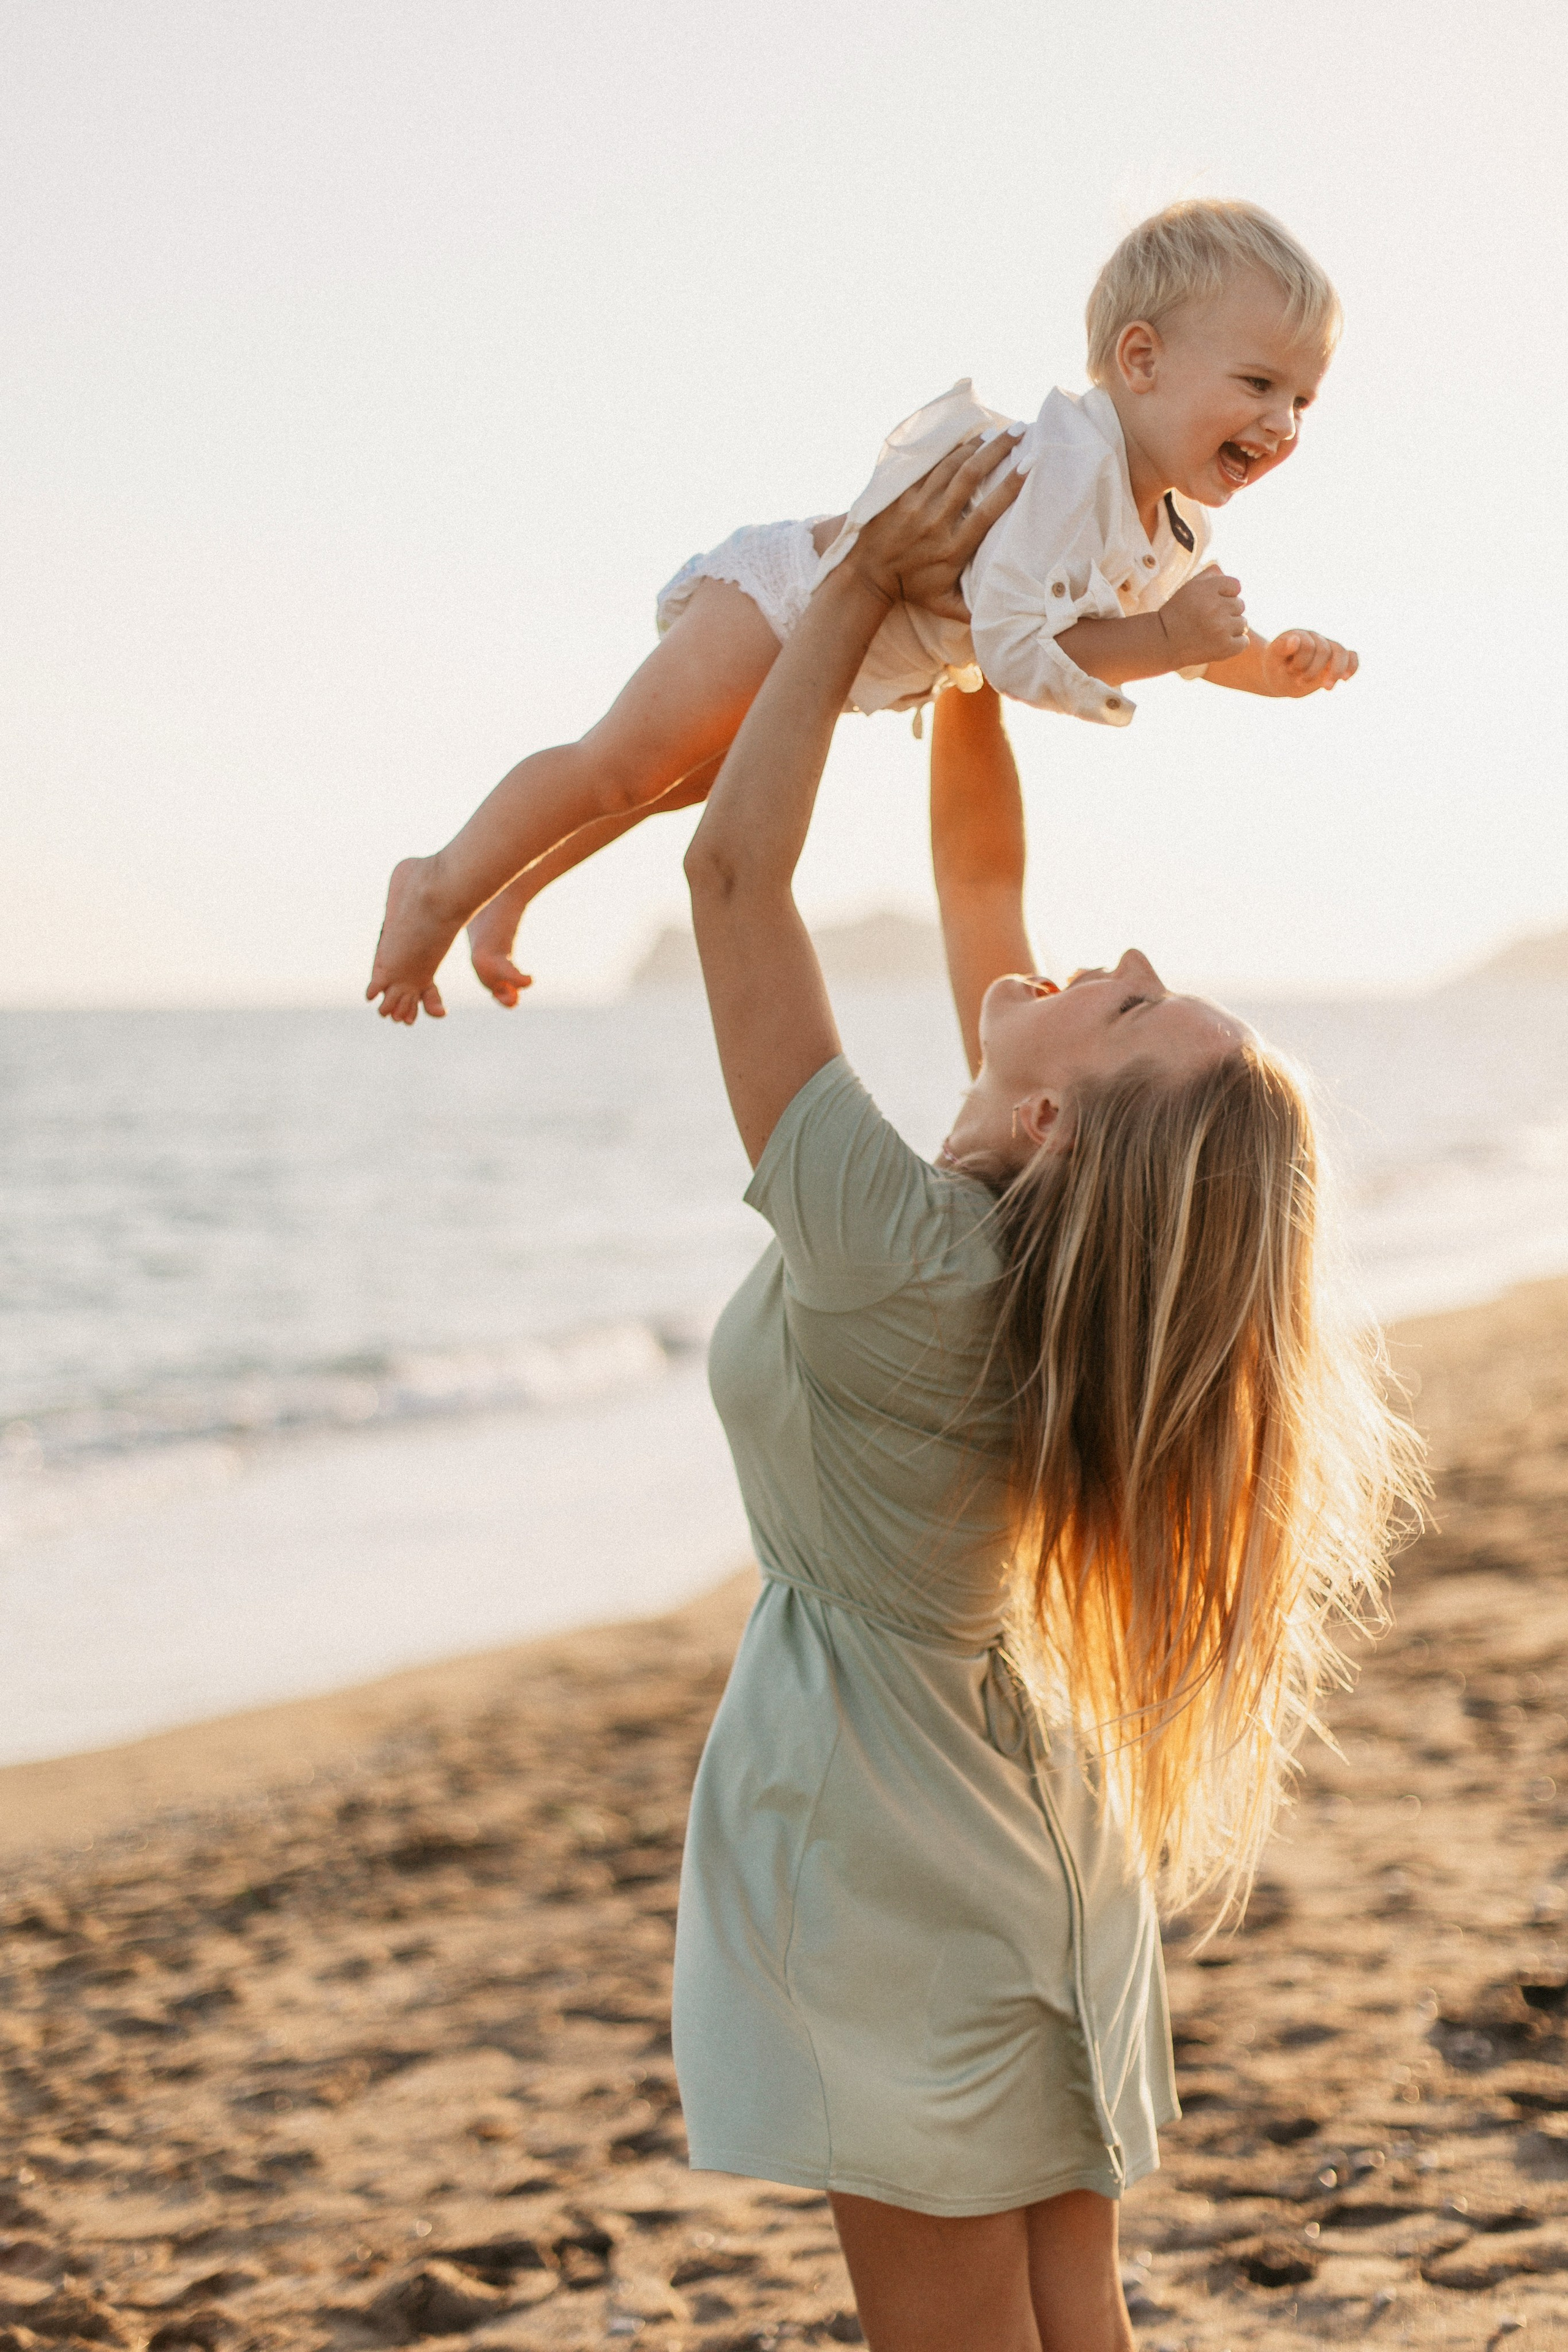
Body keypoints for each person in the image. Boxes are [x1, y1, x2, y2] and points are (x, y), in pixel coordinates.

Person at [669, 433, 1420, 2351]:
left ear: (1057, 1123)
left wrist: (857, 588)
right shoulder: (1013, 1259)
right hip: (1022, 1827)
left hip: (887, 1854)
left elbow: (733, 876)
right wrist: (982, 627)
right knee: (1073, 2323)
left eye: (1141, 1004)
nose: (1130, 956)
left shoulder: (902, 1252)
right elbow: (980, 870)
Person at [367, 198, 1359, 1025]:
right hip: (784, 605)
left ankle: (511, 885)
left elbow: (1192, 641)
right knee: (620, 764)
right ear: (1140, 361)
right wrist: (1164, 639)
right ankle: (438, 883)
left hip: (836, 665)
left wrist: (1265, 665)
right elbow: (1014, 647)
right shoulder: (1064, 472)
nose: (1282, 424)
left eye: (1304, 402)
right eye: (1259, 384)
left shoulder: (1171, 525)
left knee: (665, 784)